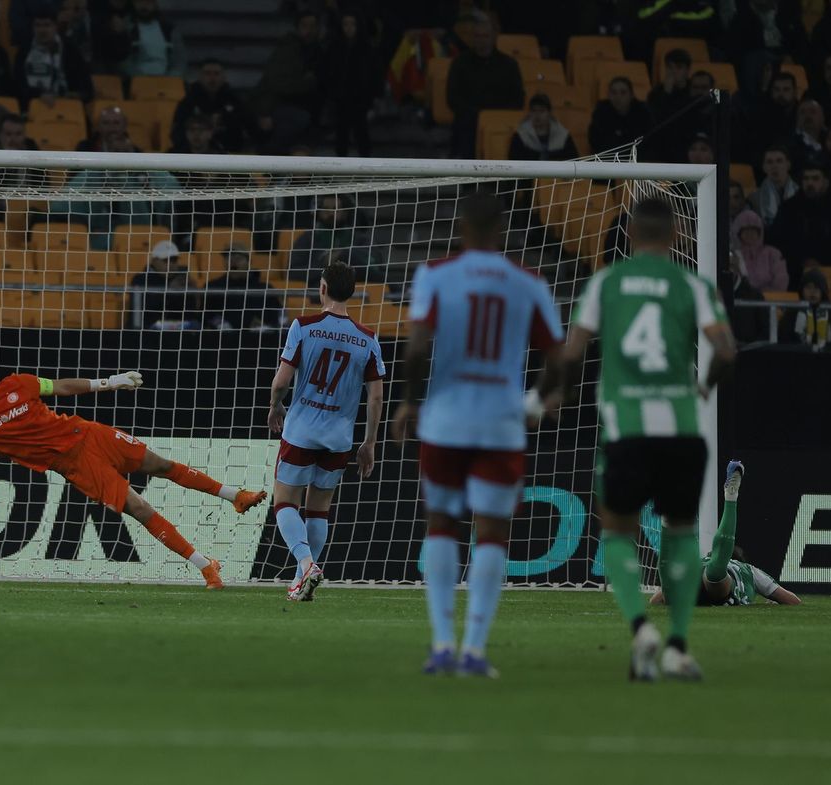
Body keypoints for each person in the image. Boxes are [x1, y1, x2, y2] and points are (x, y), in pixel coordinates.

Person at [0, 360, 266, 588]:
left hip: (88, 433)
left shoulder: (19, 384)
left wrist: (110, 382)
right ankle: (205, 565)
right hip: (75, 465)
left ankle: (236, 496)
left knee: (161, 465)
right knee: (137, 507)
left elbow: (61, 387)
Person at [558, 196, 737, 681]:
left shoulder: (606, 283)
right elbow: (725, 348)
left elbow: (572, 350)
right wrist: (701, 389)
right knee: (680, 533)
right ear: (676, 235)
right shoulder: (693, 285)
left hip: (628, 429)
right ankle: (678, 644)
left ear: (630, 235)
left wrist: (557, 398)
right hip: (681, 429)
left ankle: (641, 628)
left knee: (617, 529)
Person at [390, 192, 565, 678]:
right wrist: (533, 403)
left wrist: (408, 400)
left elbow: (417, 347)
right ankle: (475, 651)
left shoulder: (435, 274)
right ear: (503, 229)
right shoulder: (527, 282)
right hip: (500, 422)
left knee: (442, 524)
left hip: (445, 420)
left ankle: (442, 644)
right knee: (492, 534)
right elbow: (560, 357)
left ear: (461, 228)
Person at [267, 261, 384, 600]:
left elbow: (281, 382)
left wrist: (276, 405)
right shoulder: (368, 339)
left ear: (322, 288)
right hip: (339, 438)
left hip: (302, 430)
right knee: (318, 509)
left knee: (285, 502)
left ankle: (305, 565)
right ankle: (303, 581)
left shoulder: (303, 326)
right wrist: (370, 442)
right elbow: (376, 397)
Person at [650, 462, 802, 607]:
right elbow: (793, 600)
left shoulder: (703, 560)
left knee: (670, 590)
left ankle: (667, 524)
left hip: (690, 578)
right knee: (716, 575)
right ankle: (731, 497)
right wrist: (773, 602)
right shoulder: (750, 570)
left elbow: (656, 600)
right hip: (717, 584)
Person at [768, 163, 831, 287]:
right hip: (795, 275)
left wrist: (824, 266)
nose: (810, 183)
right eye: (806, 179)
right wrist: (802, 261)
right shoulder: (788, 209)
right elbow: (777, 244)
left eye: (815, 178)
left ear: (826, 182)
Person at [445, 13, 524, 159]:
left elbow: (518, 99)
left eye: (485, 36)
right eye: (477, 36)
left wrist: (493, 117)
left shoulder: (509, 65)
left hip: (500, 122)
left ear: (493, 37)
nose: (481, 40)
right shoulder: (460, 63)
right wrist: (478, 115)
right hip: (469, 122)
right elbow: (452, 98)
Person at [253, 11, 321, 155]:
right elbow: (274, 83)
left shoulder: (316, 50)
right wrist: (265, 112)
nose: (309, 30)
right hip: (280, 107)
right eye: (305, 25)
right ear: (297, 27)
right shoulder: (289, 49)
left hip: (304, 107)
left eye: (313, 26)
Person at [172, 59, 260, 154]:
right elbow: (177, 132)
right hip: (193, 154)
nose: (212, 78)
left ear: (224, 77)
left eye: (216, 73)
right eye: (207, 73)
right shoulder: (188, 102)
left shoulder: (235, 101)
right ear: (200, 76)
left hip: (229, 154)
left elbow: (250, 129)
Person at [322, 11, 377, 158]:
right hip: (340, 99)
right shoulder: (333, 48)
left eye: (352, 24)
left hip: (361, 99)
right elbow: (327, 73)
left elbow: (374, 75)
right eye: (345, 24)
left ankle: (366, 164)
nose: (349, 28)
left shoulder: (367, 49)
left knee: (361, 132)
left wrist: (372, 98)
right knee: (342, 133)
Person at [14, 11, 92, 111]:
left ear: (56, 26)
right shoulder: (24, 50)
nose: (42, 30)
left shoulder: (70, 49)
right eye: (38, 25)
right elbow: (17, 85)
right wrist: (39, 94)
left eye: (47, 25)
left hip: (67, 107)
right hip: (32, 107)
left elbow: (87, 89)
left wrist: (73, 95)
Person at [204, 245, 280, 329]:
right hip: (221, 338)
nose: (232, 262)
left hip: (259, 338)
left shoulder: (265, 289)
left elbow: (276, 319)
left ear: (249, 262)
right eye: (228, 258)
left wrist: (264, 327)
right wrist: (219, 323)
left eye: (238, 258)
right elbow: (205, 316)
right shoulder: (213, 287)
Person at [288, 194, 360, 284]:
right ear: (318, 212)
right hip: (318, 289)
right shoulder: (307, 239)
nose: (330, 213)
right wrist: (324, 264)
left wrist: (343, 255)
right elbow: (293, 273)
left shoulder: (357, 239)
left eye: (335, 208)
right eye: (326, 208)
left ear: (345, 213)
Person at [130, 240, 196, 328]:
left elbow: (190, 312)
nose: (171, 264)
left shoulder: (181, 279)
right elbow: (145, 308)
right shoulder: (140, 279)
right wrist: (170, 290)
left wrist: (192, 292)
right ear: (154, 261)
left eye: (174, 260)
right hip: (148, 328)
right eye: (166, 260)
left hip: (177, 328)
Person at [119, 0, 184, 78]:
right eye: (140, 2)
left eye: (148, 2)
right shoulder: (125, 28)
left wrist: (169, 78)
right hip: (135, 82)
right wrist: (141, 79)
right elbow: (123, 61)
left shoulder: (169, 29)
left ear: (155, 4)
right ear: (133, 4)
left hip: (167, 82)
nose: (144, 6)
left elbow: (180, 59)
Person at [588, 76, 653, 153]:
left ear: (632, 95)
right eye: (614, 92)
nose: (618, 97)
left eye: (623, 92)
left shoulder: (643, 114)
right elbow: (596, 142)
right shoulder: (600, 113)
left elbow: (647, 143)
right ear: (608, 95)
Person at [509, 94, 580, 161]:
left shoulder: (563, 136)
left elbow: (574, 162)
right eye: (534, 111)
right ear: (529, 113)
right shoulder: (519, 136)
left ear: (549, 113)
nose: (537, 115)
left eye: (541, 111)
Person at [730, 210, 788, 292]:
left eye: (753, 230)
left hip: (771, 300)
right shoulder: (734, 255)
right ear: (738, 233)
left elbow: (781, 279)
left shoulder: (772, 253)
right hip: (741, 300)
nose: (749, 234)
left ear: (760, 232)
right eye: (745, 230)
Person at [792, 267, 831, 348]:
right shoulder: (793, 312)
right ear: (801, 290)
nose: (813, 291)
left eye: (817, 287)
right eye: (808, 287)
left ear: (823, 290)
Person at [753, 144, 798, 225]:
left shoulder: (801, 193)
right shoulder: (753, 199)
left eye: (779, 161)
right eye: (770, 162)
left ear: (788, 164)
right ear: (764, 167)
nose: (774, 166)